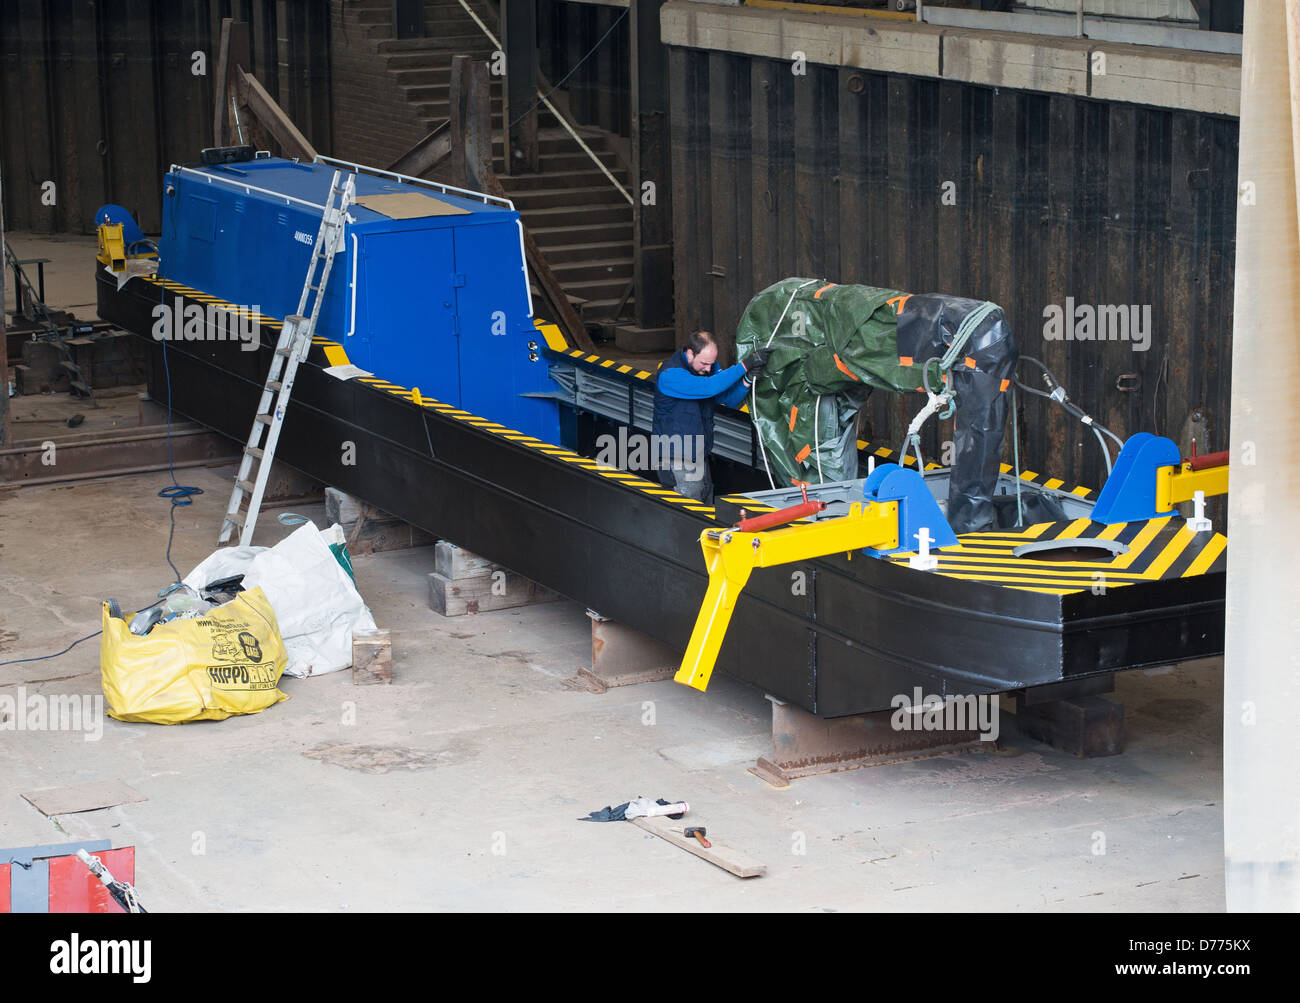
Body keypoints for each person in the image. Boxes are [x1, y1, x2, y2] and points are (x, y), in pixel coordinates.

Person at [650, 331, 771, 504]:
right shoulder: (670, 375)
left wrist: (747, 379)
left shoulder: (706, 369)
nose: (708, 369)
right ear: (690, 353)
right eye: (705, 363)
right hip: (676, 459)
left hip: (698, 454)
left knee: (705, 501)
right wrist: (745, 365)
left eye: (711, 364)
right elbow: (710, 387)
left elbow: (728, 399)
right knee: (690, 510)